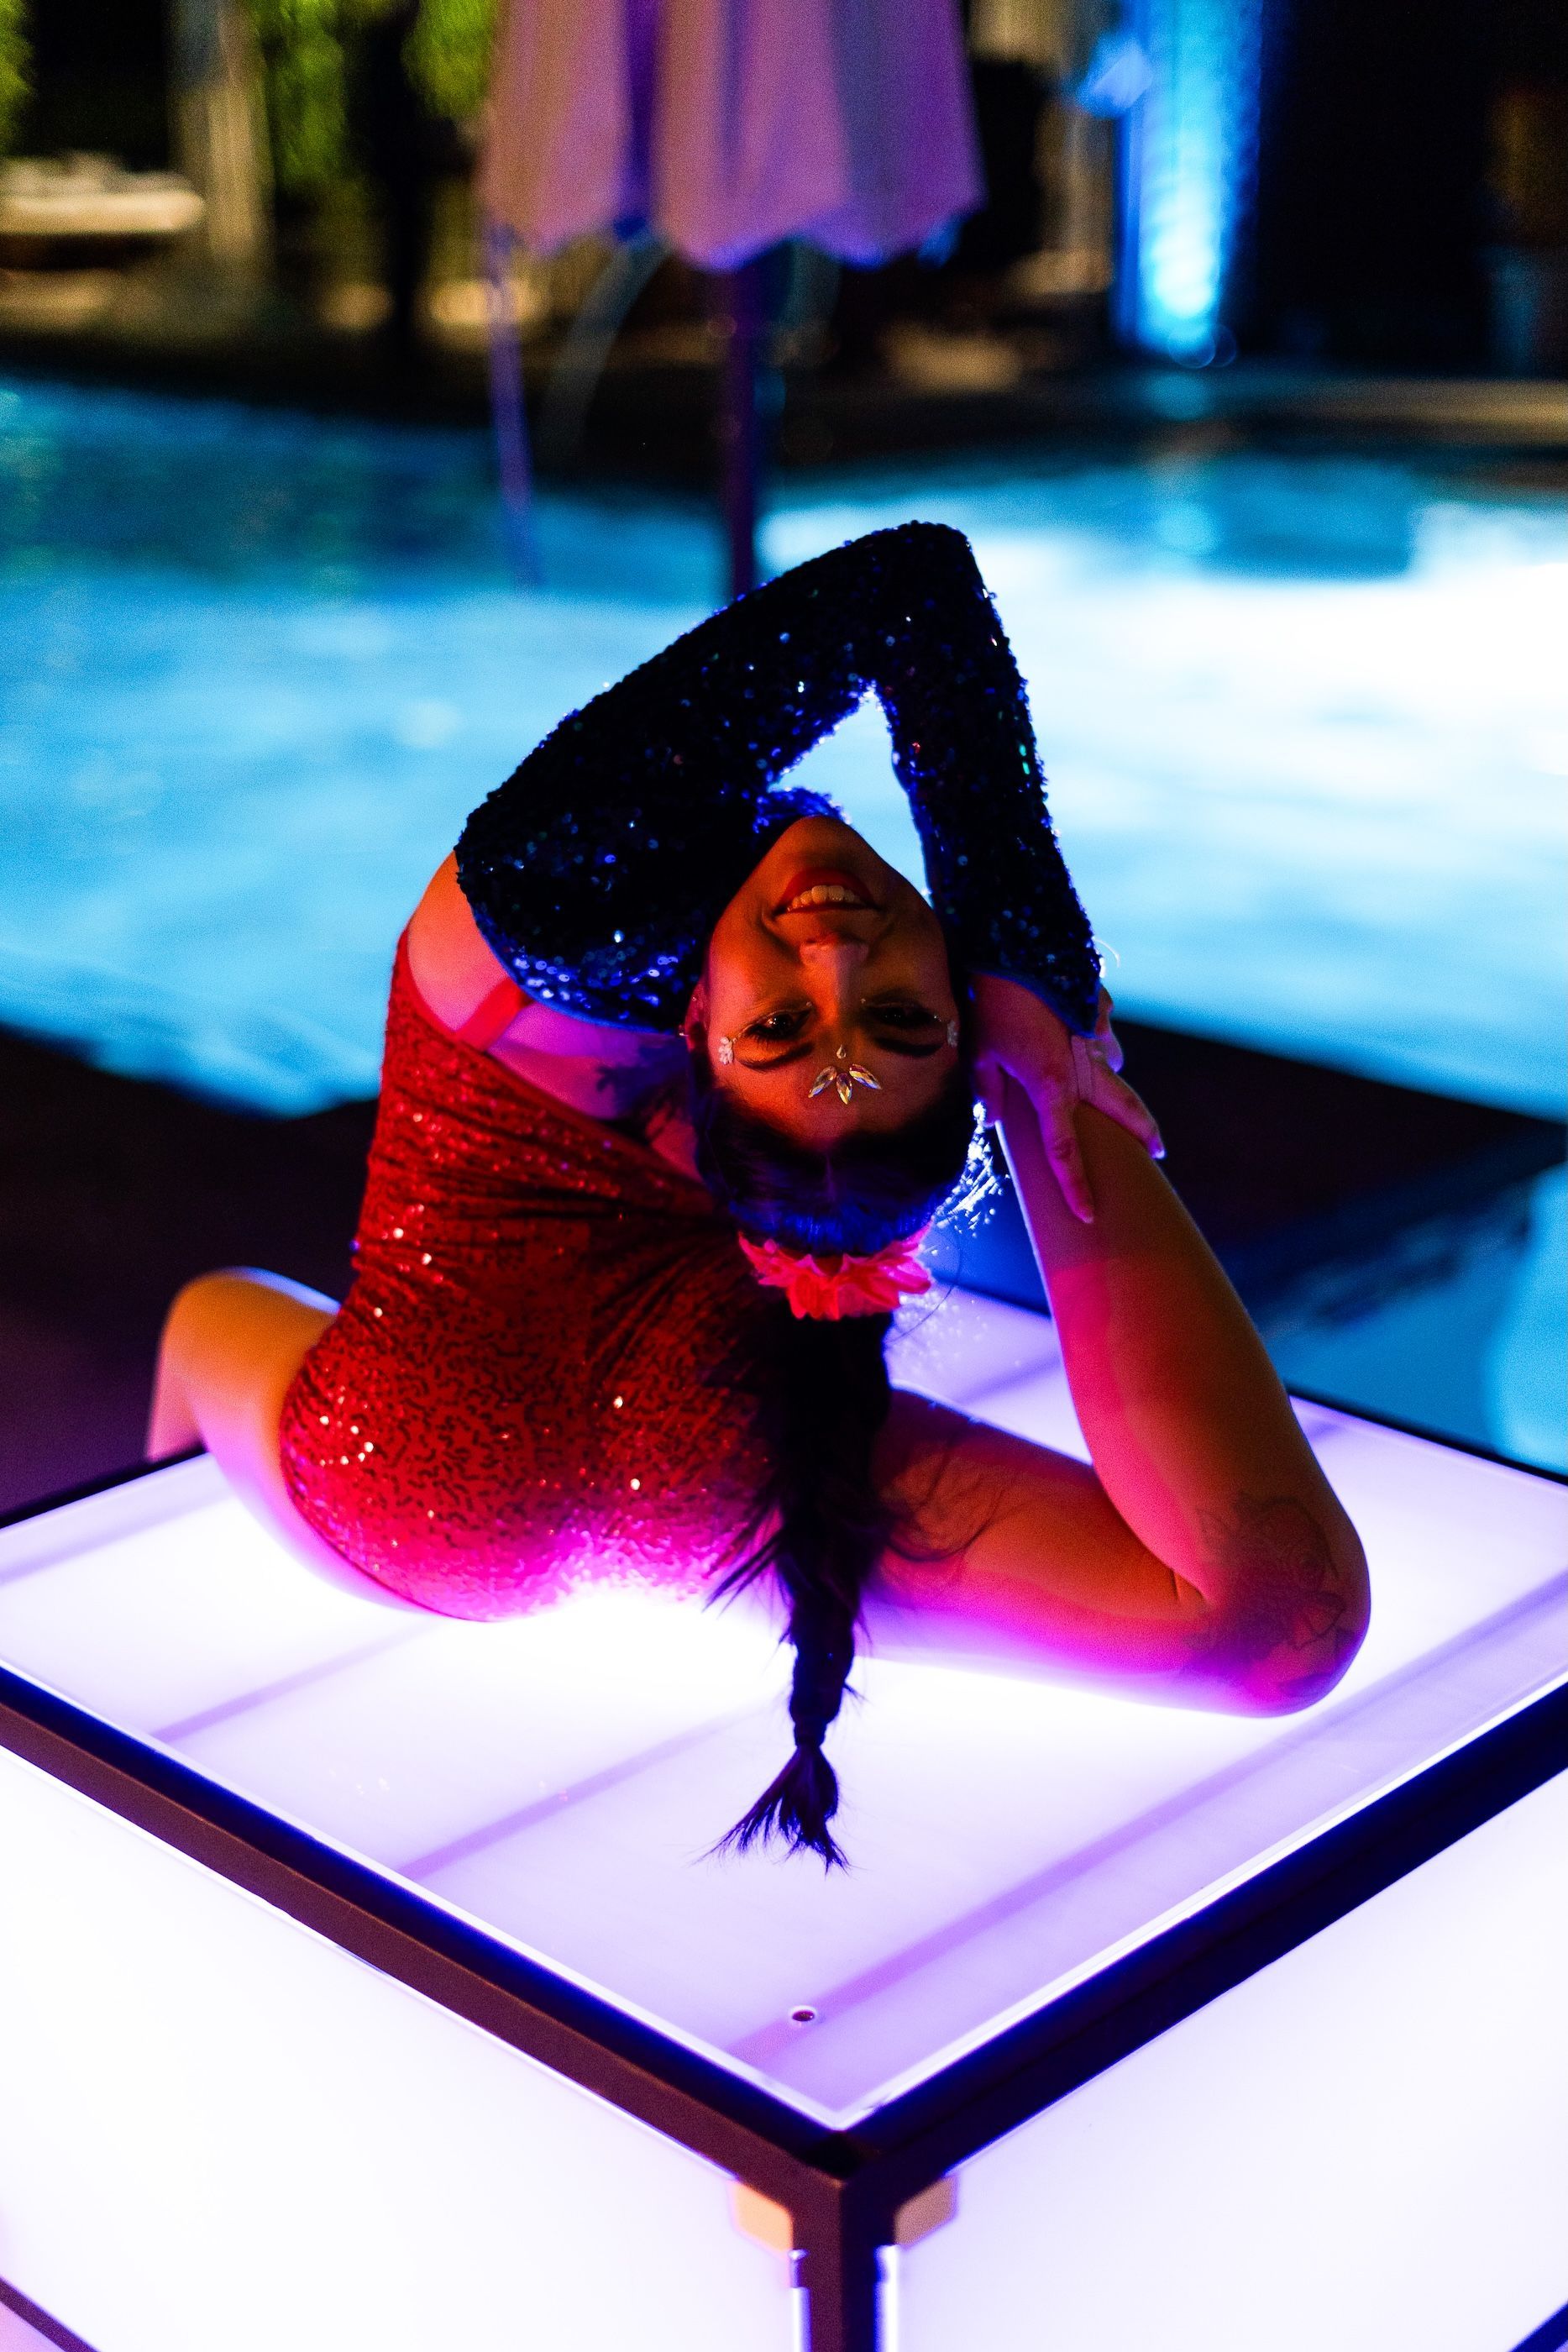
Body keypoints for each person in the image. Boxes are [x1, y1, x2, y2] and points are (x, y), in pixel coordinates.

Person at [149, 522, 1369, 1866]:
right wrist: (1039, 1028)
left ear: (695, 1049)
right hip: (703, 1466)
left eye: (782, 1026)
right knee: (1270, 1627)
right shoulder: (791, 1126)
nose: (836, 950)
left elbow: (912, 587)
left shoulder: (561, 895)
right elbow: (1276, 1624)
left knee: (211, 1314)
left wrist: (1029, 1003)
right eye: (903, 1017)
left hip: (430, 1468)